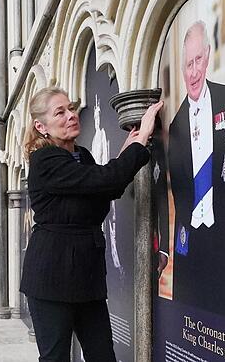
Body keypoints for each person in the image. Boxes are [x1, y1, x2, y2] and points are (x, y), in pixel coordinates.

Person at [19, 86, 163, 361]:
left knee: (102, 355)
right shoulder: (45, 160)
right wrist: (141, 138)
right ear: (41, 126)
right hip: (52, 276)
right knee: (55, 358)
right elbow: (105, 181)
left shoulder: (82, 156)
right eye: (59, 112)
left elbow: (104, 191)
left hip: (85, 275)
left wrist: (125, 155)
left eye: (71, 108)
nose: (71, 115)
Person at [168, 20, 225, 320]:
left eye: (198, 60)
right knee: (190, 316)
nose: (194, 71)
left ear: (208, 56)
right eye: (188, 64)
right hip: (189, 233)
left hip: (220, 226)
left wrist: (218, 210)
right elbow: (179, 190)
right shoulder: (174, 127)